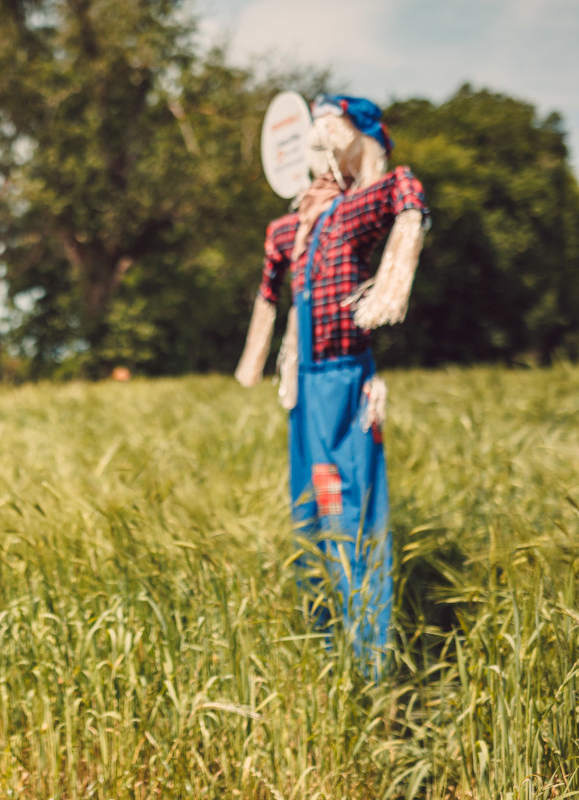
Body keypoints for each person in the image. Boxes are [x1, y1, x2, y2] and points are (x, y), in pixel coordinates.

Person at [235, 95, 429, 675]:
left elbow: (404, 194)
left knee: (357, 515)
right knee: (312, 513)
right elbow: (271, 289)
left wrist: (392, 282)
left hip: (348, 384)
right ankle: (324, 650)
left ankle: (370, 662)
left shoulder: (357, 209)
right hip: (303, 387)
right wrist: (254, 359)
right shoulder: (292, 229)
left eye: (330, 133)